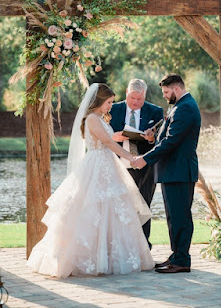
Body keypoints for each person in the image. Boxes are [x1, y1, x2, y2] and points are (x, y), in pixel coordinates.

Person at [27, 83, 154, 278]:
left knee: (112, 209)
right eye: (109, 102)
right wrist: (132, 158)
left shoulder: (100, 118)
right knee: (92, 208)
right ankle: (87, 257)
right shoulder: (93, 118)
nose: (111, 106)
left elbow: (109, 138)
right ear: (99, 101)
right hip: (97, 165)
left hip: (107, 164)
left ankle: (109, 256)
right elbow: (108, 143)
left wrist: (120, 138)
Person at [132, 74, 201, 273]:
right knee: (173, 216)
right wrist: (153, 138)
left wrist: (145, 158)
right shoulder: (179, 106)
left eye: (166, 92)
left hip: (179, 171)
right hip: (173, 171)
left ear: (176, 89)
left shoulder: (185, 107)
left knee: (180, 217)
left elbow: (171, 142)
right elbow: (165, 138)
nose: (164, 96)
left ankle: (182, 260)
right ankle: (176, 255)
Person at [110, 79, 163, 248]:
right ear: (126, 92)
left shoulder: (155, 111)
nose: (135, 102)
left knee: (143, 206)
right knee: (117, 205)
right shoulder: (113, 109)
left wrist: (152, 138)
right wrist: (114, 137)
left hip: (144, 168)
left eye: (139, 99)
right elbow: (100, 134)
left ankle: (142, 246)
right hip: (117, 165)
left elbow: (161, 143)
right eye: (132, 98)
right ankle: (120, 245)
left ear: (145, 96)